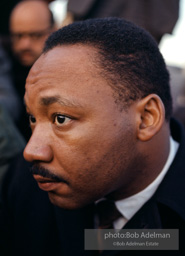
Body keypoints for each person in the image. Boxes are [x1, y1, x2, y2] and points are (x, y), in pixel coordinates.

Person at [0, 18, 185, 256]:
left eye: (60, 118)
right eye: (33, 119)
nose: (31, 151)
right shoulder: (24, 186)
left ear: (146, 118)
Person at [8, 0, 55, 140]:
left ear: (54, 31)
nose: (25, 44)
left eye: (35, 35)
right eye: (18, 36)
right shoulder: (7, 68)